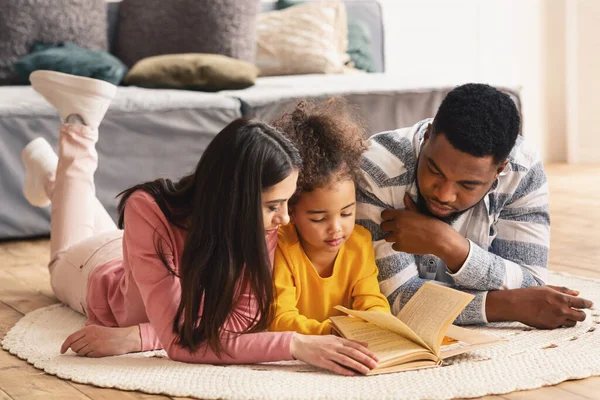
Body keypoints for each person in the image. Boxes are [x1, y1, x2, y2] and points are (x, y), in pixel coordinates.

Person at [21, 70, 379, 376]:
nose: (285, 219)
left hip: (139, 254)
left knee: (90, 222)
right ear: (235, 198)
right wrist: (296, 344)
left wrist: (144, 335)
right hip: (99, 267)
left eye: (287, 203)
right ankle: (79, 127)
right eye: (273, 205)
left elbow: (240, 325)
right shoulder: (148, 210)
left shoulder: (262, 230)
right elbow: (180, 341)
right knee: (61, 259)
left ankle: (49, 171)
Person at [356, 83, 593, 328]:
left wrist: (450, 246)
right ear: (427, 136)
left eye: (467, 185)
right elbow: (398, 303)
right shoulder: (377, 171)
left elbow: (531, 282)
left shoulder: (522, 169)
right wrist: (509, 305)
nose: (445, 195)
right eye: (434, 171)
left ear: (500, 169)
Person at [268, 99, 390, 336]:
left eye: (347, 213)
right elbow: (280, 319)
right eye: (318, 219)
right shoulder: (281, 245)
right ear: (290, 211)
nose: (337, 228)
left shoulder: (359, 242)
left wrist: (380, 323)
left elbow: (372, 300)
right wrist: (333, 332)